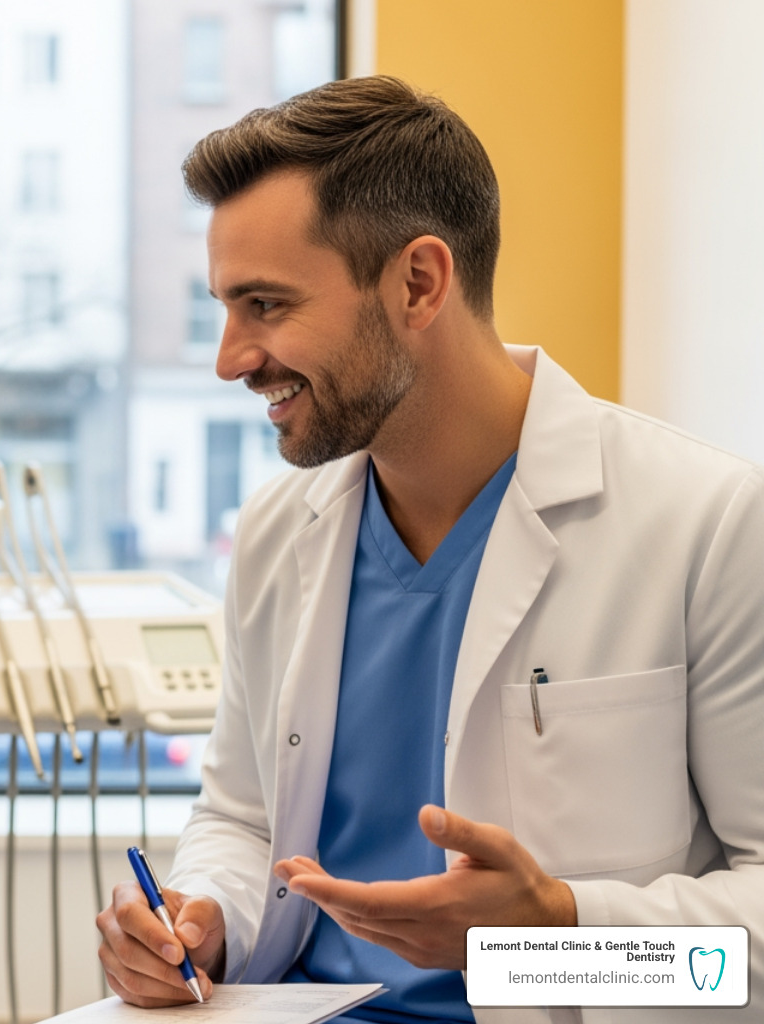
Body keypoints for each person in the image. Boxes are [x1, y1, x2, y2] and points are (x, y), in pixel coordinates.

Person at [95, 76, 764, 1023]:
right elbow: (243, 818)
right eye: (224, 308)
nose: (230, 358)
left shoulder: (709, 522)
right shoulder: (280, 532)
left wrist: (553, 940)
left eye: (267, 305)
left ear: (418, 282)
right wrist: (204, 922)